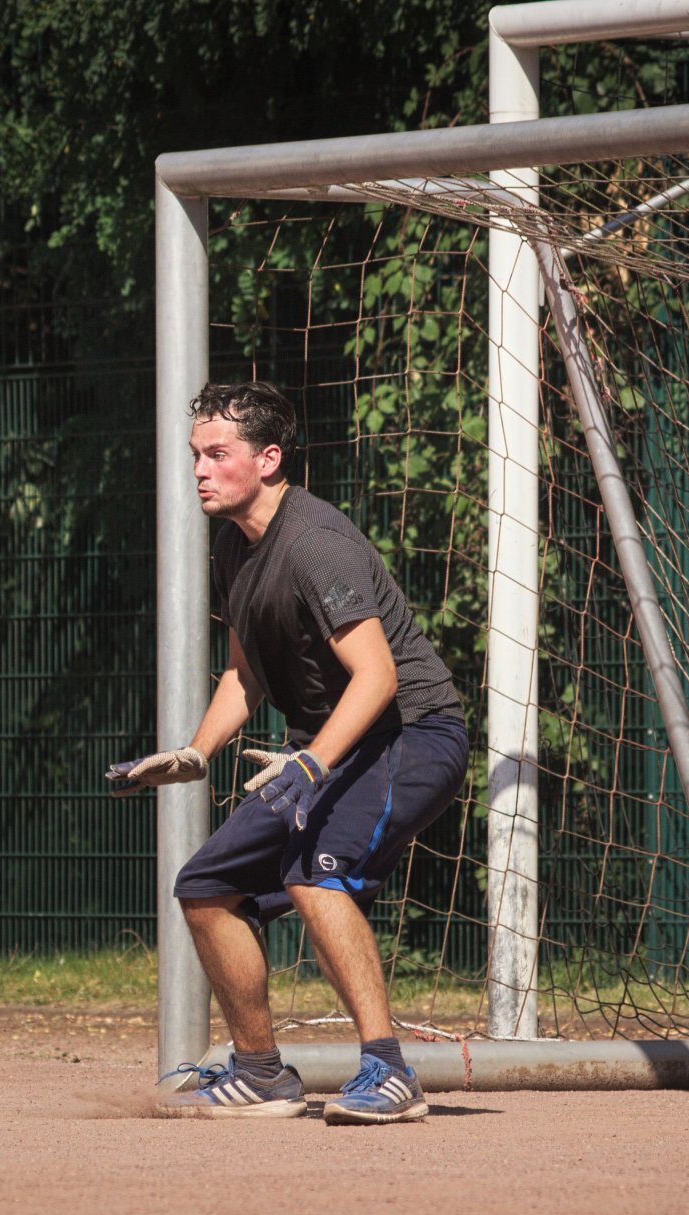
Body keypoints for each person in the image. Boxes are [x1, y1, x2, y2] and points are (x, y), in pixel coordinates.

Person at [108, 382, 467, 1124]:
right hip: (336, 750)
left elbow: (378, 676)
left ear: (268, 459)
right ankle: (260, 1073)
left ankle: (390, 1072)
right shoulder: (232, 546)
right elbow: (244, 673)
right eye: (195, 455)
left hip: (413, 734)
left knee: (315, 872)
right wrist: (196, 752)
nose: (200, 470)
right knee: (205, 886)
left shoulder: (314, 543)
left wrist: (311, 762)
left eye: (218, 454)